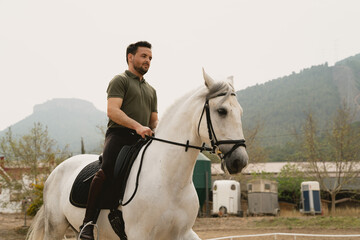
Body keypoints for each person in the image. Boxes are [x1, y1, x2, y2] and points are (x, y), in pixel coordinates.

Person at [80, 41, 158, 240]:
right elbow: (113, 111)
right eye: (143, 56)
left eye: (150, 57)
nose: (148, 60)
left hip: (143, 139)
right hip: (119, 136)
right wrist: (137, 126)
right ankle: (87, 224)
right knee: (106, 170)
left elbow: (154, 120)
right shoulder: (120, 80)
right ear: (130, 57)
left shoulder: (151, 90)